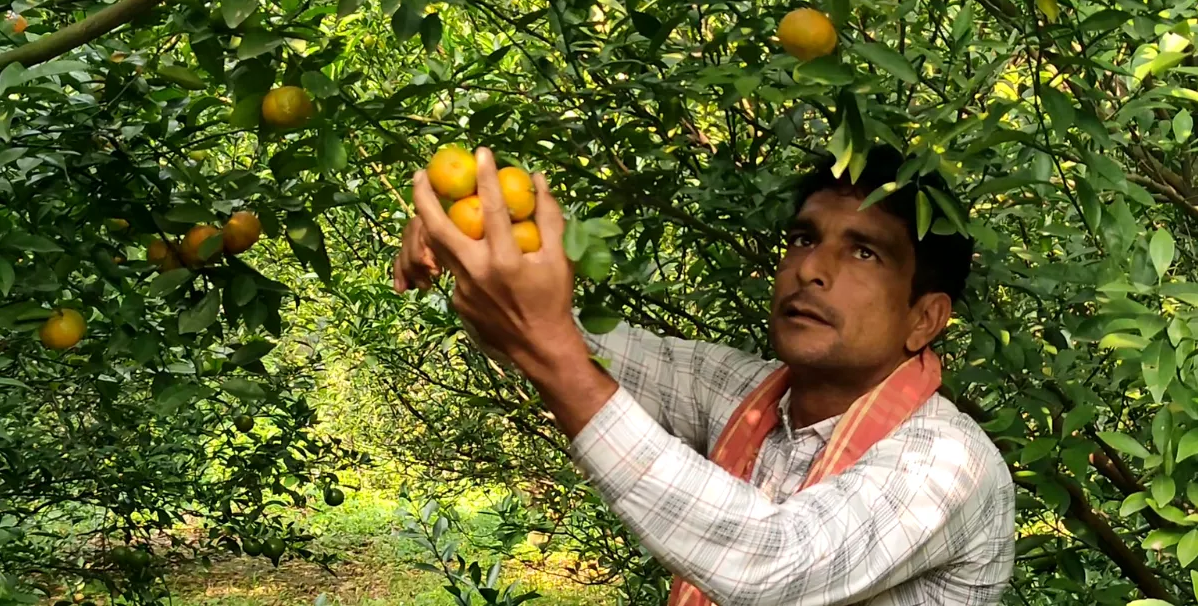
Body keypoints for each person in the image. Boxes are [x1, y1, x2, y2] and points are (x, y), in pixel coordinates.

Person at [392, 145, 1015, 606]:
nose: (812, 270)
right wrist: (473, 246)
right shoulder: (748, 394)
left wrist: (550, 348)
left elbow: (777, 562)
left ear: (925, 317)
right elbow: (560, 340)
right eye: (803, 239)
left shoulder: (948, 461)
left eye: (864, 252)